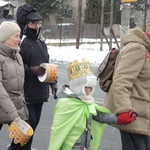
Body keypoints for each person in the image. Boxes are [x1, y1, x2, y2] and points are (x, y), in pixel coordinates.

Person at [48, 58, 137, 150]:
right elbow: (57, 131)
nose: (88, 90)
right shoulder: (66, 103)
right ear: (77, 85)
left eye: (90, 87)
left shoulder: (85, 102)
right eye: (85, 87)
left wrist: (119, 119)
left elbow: (99, 116)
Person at [8, 4, 58, 150]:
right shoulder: (21, 43)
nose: (37, 26)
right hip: (26, 94)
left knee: (32, 129)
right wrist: (32, 71)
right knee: (25, 130)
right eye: (33, 23)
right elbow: (15, 68)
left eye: (38, 23)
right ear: (25, 25)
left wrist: (53, 82)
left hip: (40, 93)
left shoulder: (41, 42)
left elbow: (46, 65)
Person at [103, 27, 150, 150]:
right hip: (134, 115)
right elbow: (121, 81)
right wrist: (124, 109)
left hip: (143, 116)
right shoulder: (138, 48)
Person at [0, 21, 28, 138]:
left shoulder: (17, 56)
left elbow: (20, 87)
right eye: (16, 36)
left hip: (15, 111)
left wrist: (21, 111)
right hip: (7, 109)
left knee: (22, 140)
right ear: (5, 38)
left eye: (19, 35)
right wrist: (14, 115)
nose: (19, 39)